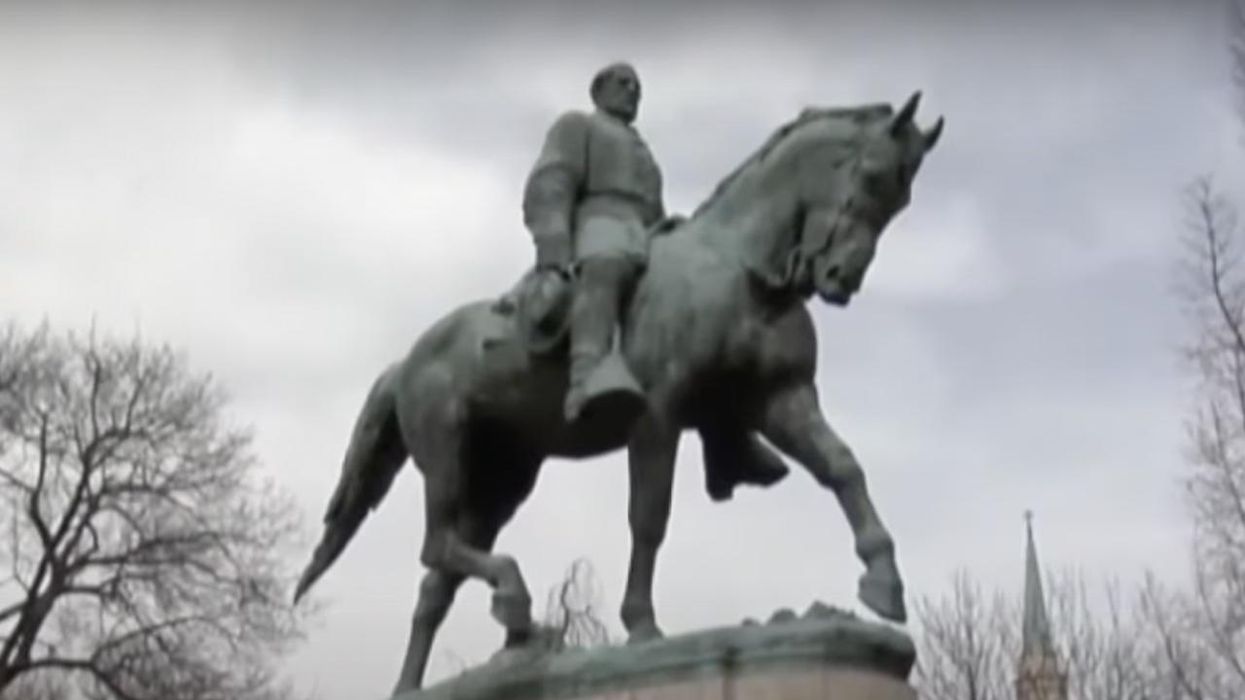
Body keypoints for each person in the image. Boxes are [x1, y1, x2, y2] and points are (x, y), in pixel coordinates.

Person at [521, 62, 669, 423]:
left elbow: (655, 209)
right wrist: (553, 245)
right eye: (623, 83)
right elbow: (552, 181)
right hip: (598, 224)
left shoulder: (644, 151)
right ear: (598, 90)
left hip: (645, 233)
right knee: (608, 263)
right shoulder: (579, 125)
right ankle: (586, 376)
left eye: (637, 87)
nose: (632, 91)